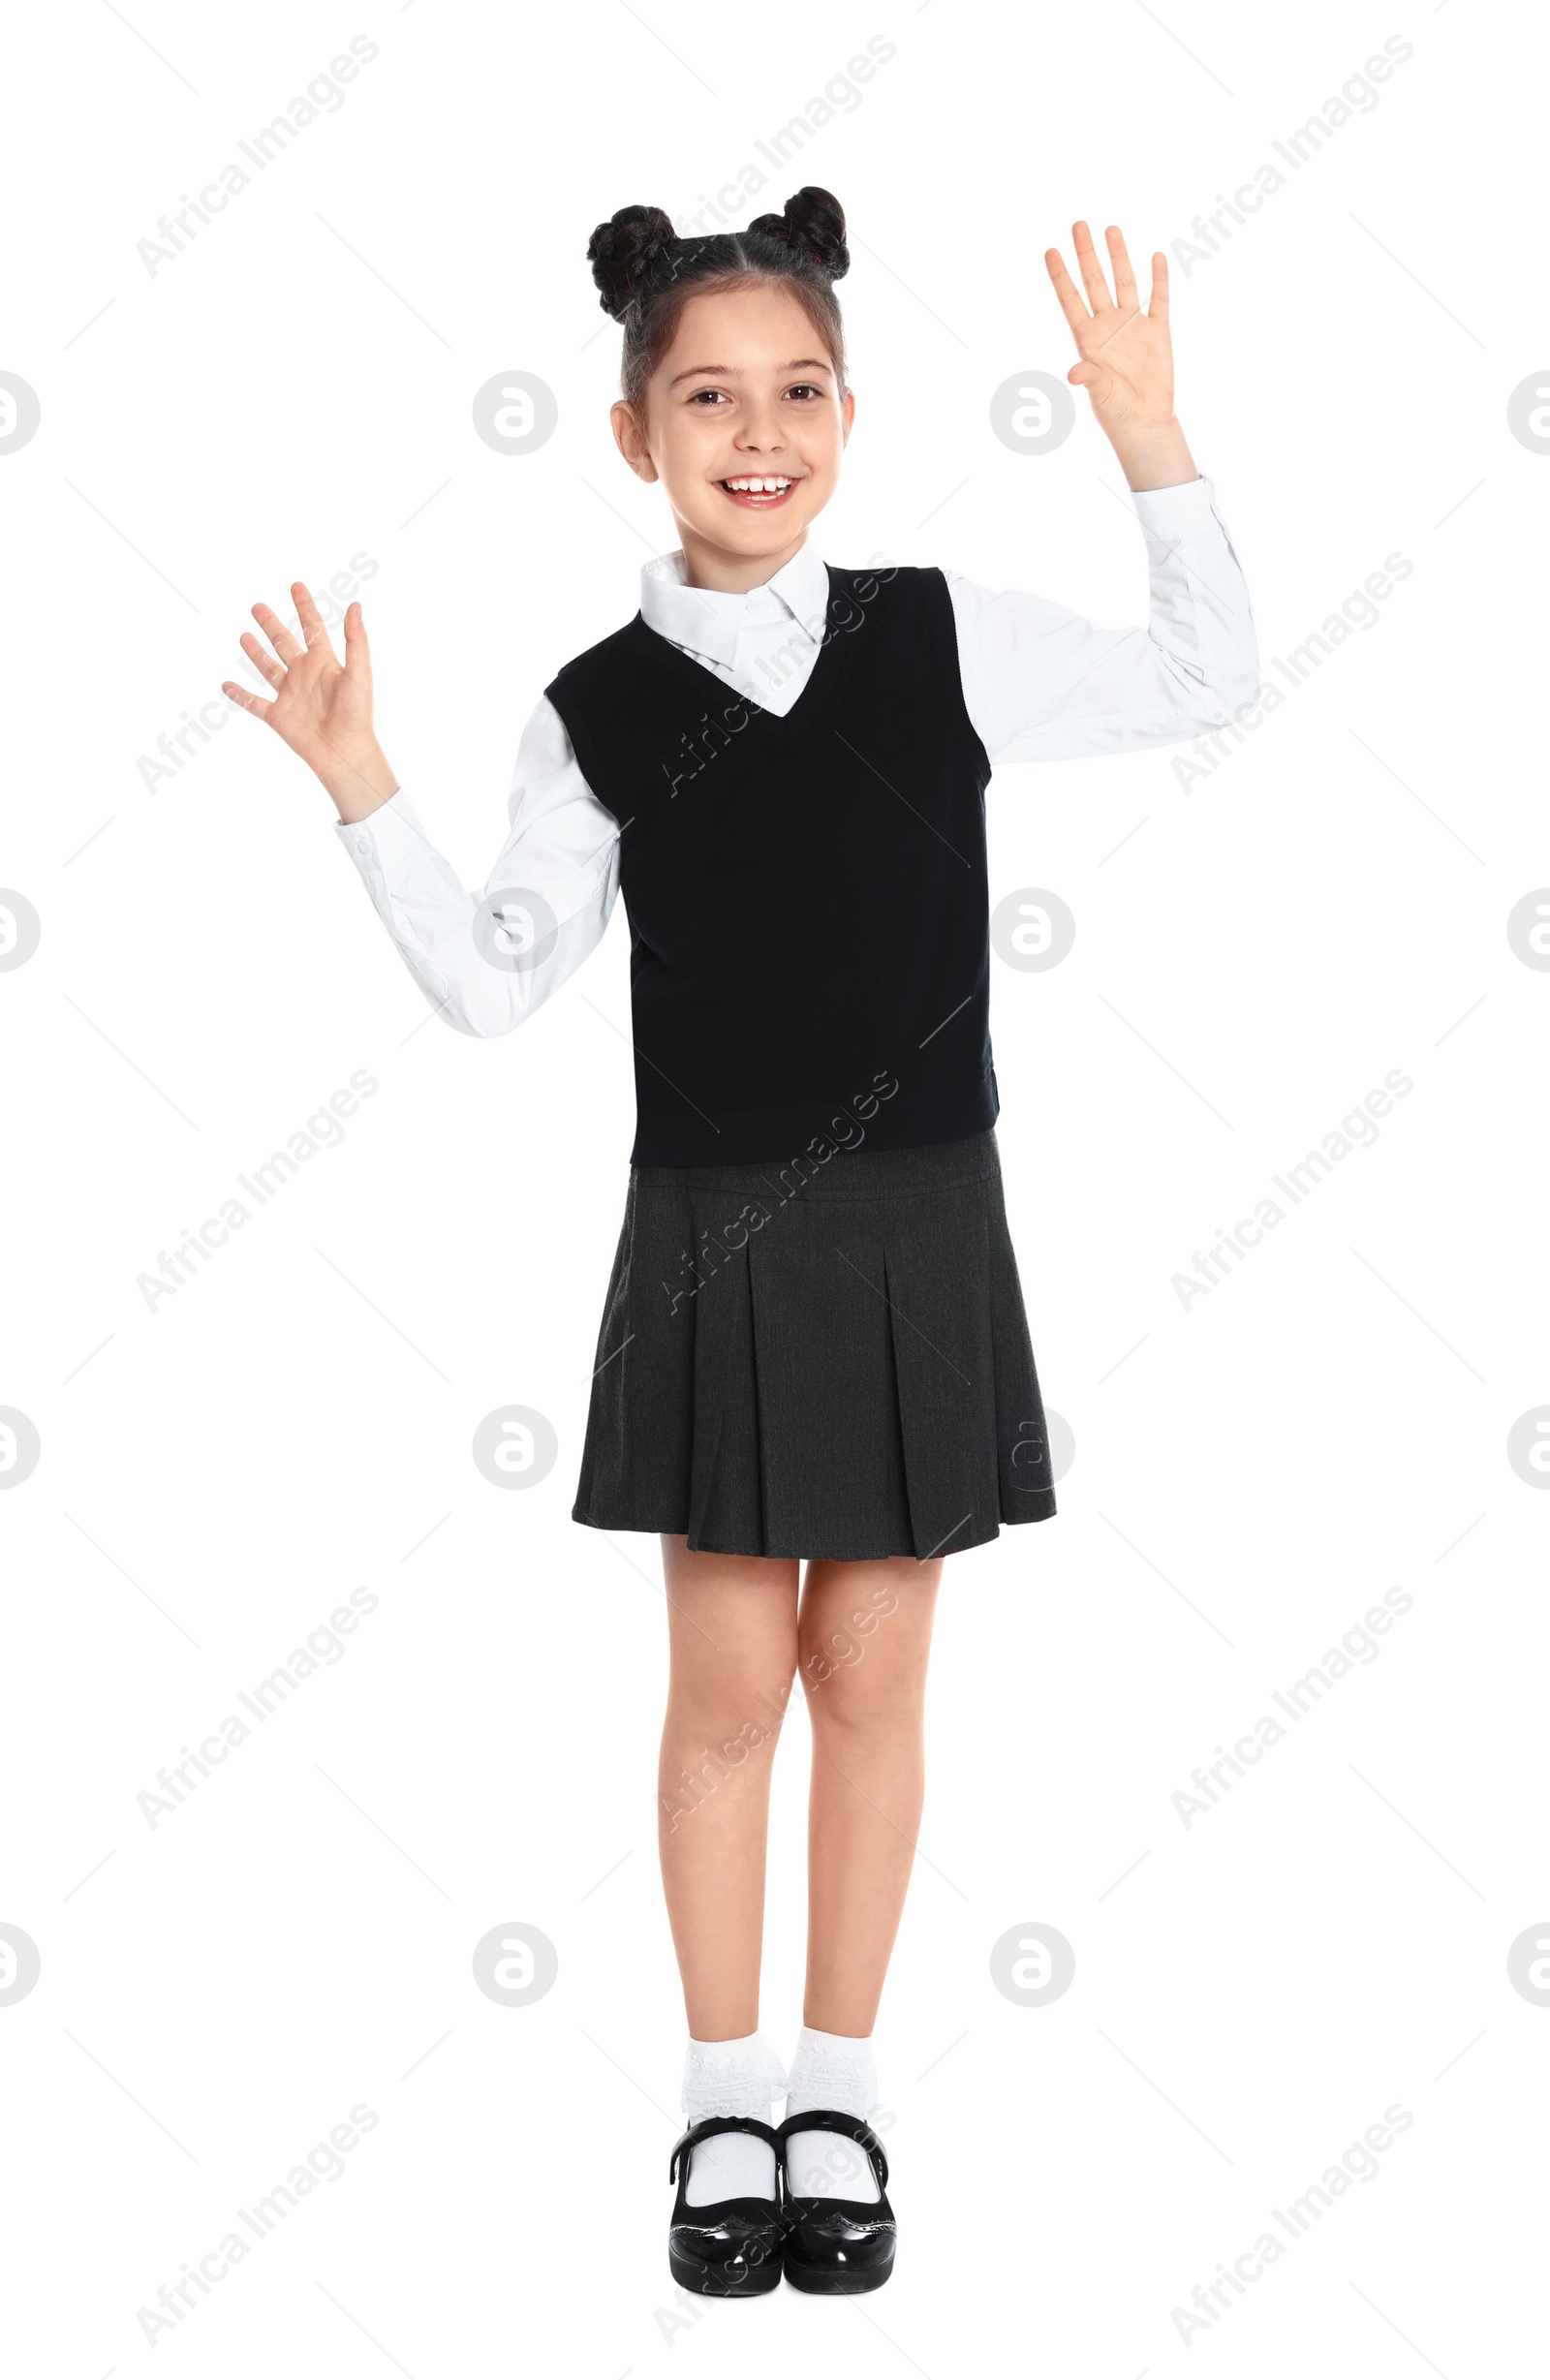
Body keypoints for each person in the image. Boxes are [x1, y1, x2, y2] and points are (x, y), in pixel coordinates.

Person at [222, 186, 1257, 2298]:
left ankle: (841, 2088)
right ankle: (718, 2103)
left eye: (794, 391)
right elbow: (501, 976)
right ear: (634, 435)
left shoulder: (933, 635)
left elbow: (1201, 670)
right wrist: (359, 786)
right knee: (724, 1685)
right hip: (710, 1233)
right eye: (706, 395)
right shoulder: (597, 704)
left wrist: (1147, 432)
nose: (753, 431)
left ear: (851, 417)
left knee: (873, 1676)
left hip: (915, 1223)